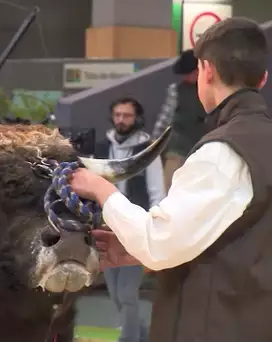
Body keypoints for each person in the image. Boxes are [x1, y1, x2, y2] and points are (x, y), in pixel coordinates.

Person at [68, 17, 271, 342]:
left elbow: (159, 243)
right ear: (262, 79)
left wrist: (101, 190)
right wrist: (140, 247)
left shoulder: (220, 153)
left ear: (206, 70)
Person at [93, 97, 165, 342]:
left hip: (136, 227)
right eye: (118, 115)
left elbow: (157, 191)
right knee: (115, 294)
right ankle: (143, 337)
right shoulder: (102, 148)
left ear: (138, 119)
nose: (122, 120)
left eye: (127, 115)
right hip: (107, 228)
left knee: (126, 293)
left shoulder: (148, 150)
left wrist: (155, 224)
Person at [152, 49, 208, 191]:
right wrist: (155, 142)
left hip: (204, 148)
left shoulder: (211, 91)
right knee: (170, 188)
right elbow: (165, 117)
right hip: (178, 149)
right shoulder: (176, 90)